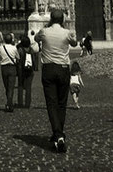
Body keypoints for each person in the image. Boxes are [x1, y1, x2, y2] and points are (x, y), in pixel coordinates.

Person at [36, 8, 78, 153]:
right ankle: (58, 134)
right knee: (61, 103)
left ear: (51, 19)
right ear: (62, 20)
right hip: (63, 69)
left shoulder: (44, 31)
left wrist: (45, 30)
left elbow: (36, 39)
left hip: (48, 70)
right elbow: (74, 43)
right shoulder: (67, 33)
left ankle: (58, 134)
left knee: (51, 103)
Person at [0, 33, 20, 112]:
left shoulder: (1, 48)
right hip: (12, 68)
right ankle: (9, 103)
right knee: (11, 87)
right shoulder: (14, 48)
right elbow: (18, 57)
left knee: (6, 86)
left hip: (4, 68)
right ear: (11, 40)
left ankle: (9, 103)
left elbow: (0, 56)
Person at [16, 35, 34, 109]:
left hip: (21, 70)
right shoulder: (31, 49)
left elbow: (17, 59)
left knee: (20, 86)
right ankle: (27, 103)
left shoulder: (20, 50)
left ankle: (20, 103)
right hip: (29, 70)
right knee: (28, 87)